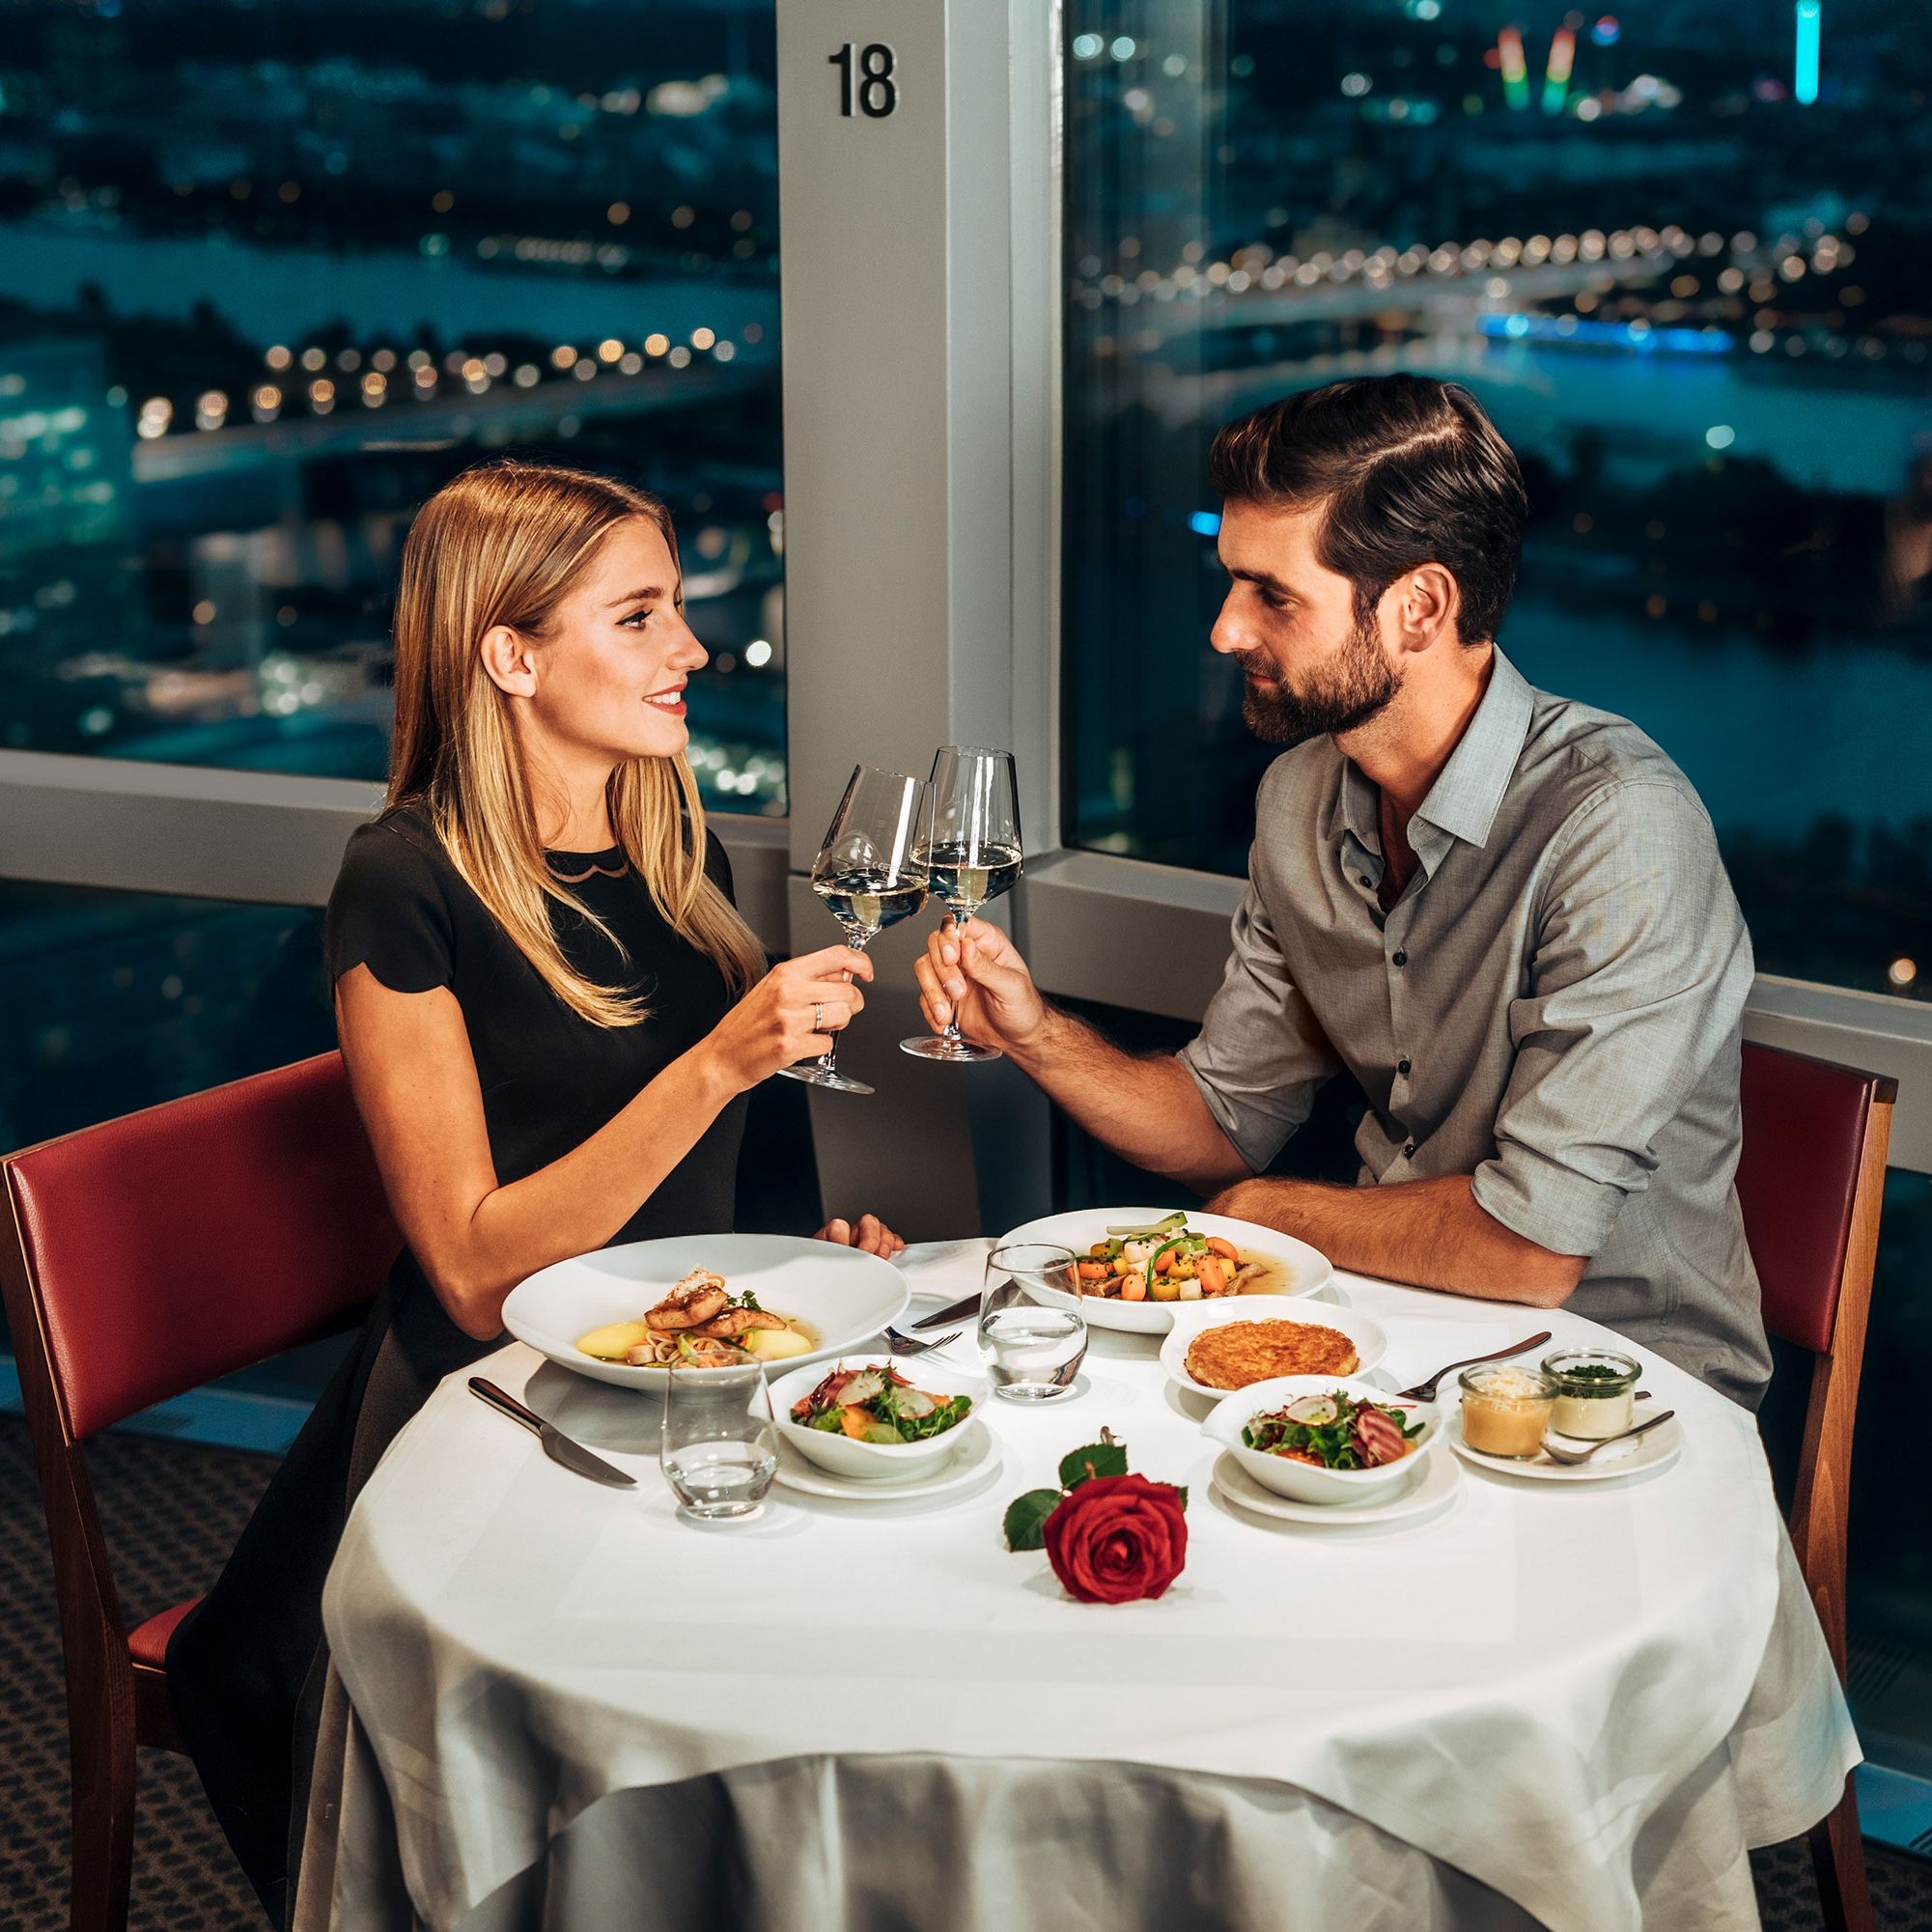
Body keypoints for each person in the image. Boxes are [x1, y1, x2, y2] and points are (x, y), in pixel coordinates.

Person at [168, 460, 903, 1925]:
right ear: (509, 655)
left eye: (675, 610)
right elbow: (472, 1272)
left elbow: (709, 1182)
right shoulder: (402, 882)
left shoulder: (670, 841)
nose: (691, 649)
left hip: (690, 1359)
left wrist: (817, 1255)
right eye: (639, 618)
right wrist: (717, 1061)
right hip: (492, 1393)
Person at [916, 375, 1771, 1409]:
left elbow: (1531, 1247)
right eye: (1231, 582)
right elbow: (1221, 1119)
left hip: (1620, 1388)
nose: (1225, 630)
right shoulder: (1299, 798)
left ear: (1420, 607)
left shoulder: (1619, 826)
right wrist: (1032, 1034)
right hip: (1386, 1341)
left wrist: (1266, 1215)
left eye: (1272, 594)